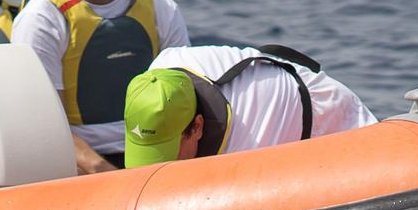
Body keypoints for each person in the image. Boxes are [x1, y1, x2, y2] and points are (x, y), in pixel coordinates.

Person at [10, 0, 189, 173]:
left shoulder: (159, 6)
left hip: (150, 155)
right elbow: (43, 122)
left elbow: (185, 95)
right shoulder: (42, 18)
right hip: (75, 163)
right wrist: (104, 173)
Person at [120, 44, 379, 168]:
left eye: (167, 153)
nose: (156, 167)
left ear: (197, 127)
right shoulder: (155, 79)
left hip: (326, 116)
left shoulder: (244, 142)